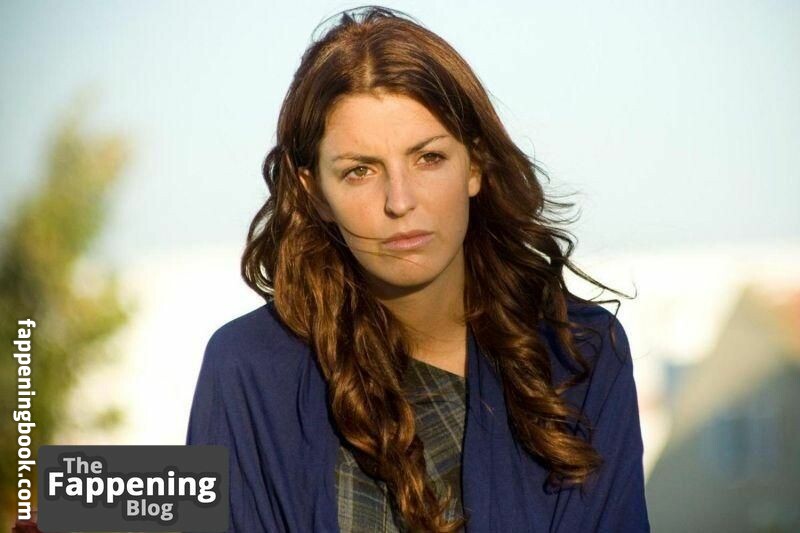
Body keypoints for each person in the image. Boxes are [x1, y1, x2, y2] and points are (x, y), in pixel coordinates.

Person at [186, 5, 650, 532]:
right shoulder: (247, 368)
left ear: (474, 164)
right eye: (360, 171)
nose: (400, 201)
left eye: (428, 158)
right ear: (315, 193)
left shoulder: (579, 353)